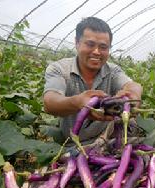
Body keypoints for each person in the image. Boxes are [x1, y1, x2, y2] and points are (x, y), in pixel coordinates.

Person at [43, 17, 143, 145]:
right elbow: (50, 102)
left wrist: (133, 94)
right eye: (90, 44)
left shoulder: (113, 71)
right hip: (74, 143)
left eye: (103, 47)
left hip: (111, 139)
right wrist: (77, 102)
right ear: (77, 43)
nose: (96, 52)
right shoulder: (59, 69)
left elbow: (132, 85)